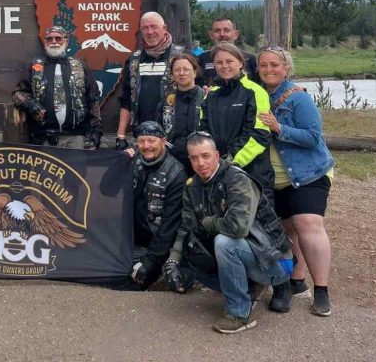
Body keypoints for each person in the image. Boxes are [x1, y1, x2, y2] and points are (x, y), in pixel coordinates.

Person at [165, 132, 294, 334]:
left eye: (205, 156)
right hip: (250, 253)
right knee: (191, 250)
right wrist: (173, 260)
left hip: (275, 261)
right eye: (194, 158)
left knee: (224, 242)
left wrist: (208, 222)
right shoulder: (192, 187)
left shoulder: (237, 180)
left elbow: (238, 227)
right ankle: (250, 289)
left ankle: (239, 314)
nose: (200, 163)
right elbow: (187, 228)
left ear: (217, 155)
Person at [257, 45, 336, 317]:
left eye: (274, 65)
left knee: (307, 225)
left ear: (286, 67)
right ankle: (296, 281)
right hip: (275, 179)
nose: (269, 69)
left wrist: (279, 128)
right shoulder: (258, 95)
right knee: (286, 231)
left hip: (307, 173)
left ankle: (322, 290)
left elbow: (312, 137)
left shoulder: (298, 98)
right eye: (263, 65)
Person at [198, 42, 275, 199]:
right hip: (218, 171)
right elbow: (203, 133)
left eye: (229, 61)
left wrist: (231, 162)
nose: (224, 66)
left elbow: (259, 135)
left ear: (240, 62)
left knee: (257, 222)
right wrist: (211, 162)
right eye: (219, 62)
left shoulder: (256, 92)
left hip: (252, 172)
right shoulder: (210, 95)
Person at [12, 25, 101, 149]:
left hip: (75, 137)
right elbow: (18, 94)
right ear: (45, 42)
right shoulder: (34, 65)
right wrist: (31, 104)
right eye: (49, 39)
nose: (53, 42)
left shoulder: (80, 66)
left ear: (66, 40)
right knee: (45, 169)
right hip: (43, 137)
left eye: (58, 38)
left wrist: (95, 130)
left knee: (74, 168)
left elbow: (93, 99)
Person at [125, 121, 186, 290]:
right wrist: (120, 160)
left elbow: (170, 228)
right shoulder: (132, 161)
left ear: (163, 141)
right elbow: (106, 189)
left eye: (151, 141)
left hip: (156, 246)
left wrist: (149, 261)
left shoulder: (176, 173)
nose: (146, 146)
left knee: (131, 283)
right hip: (129, 239)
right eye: (141, 141)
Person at [115, 11, 181, 149]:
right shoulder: (134, 60)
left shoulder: (182, 56)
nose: (150, 32)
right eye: (145, 28)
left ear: (165, 28)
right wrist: (120, 135)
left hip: (175, 136)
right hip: (143, 136)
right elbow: (126, 99)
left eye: (154, 26)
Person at [164, 52, 204, 166]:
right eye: (177, 70)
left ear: (195, 73)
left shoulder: (207, 98)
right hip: (171, 159)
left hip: (200, 159)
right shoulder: (166, 102)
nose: (182, 73)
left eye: (186, 69)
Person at [197, 17, 259, 88]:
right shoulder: (201, 59)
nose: (222, 34)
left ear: (236, 34)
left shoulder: (249, 59)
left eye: (226, 30)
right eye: (217, 31)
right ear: (211, 35)